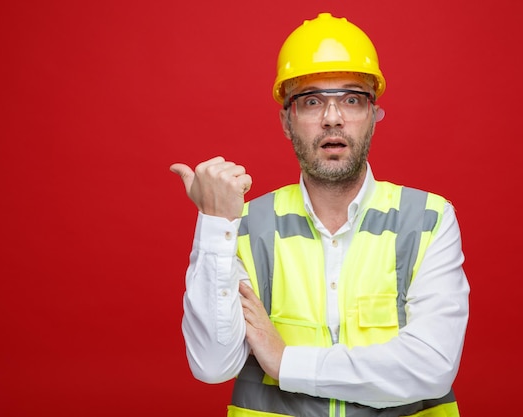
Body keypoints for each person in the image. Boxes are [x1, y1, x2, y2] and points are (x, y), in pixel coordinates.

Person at [170, 12, 470, 417]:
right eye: (312, 101)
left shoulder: (429, 221)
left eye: (351, 99)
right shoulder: (243, 227)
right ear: (286, 119)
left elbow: (431, 367)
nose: (332, 117)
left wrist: (285, 362)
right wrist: (215, 224)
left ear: (373, 116)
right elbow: (211, 364)